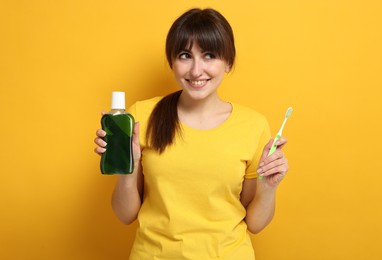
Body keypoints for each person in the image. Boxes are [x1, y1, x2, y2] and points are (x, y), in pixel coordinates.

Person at [94, 8, 289, 260]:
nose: (196, 70)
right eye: (185, 55)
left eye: (209, 56)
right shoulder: (141, 116)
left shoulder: (253, 125)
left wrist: (269, 187)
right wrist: (126, 171)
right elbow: (125, 215)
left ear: (228, 62)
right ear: (172, 62)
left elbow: (255, 223)